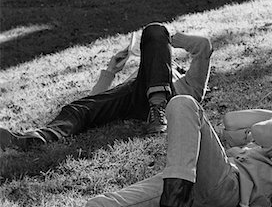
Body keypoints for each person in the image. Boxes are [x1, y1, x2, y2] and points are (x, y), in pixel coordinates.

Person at [0, 26, 272, 207]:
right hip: (184, 175)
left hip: (224, 183)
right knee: (107, 203)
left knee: (180, 100)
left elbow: (205, 51)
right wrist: (110, 71)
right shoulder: (145, 82)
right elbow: (233, 122)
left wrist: (170, 38)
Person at [0, 22, 213, 151]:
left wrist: (166, 39)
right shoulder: (141, 78)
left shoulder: (190, 86)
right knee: (77, 108)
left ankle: (158, 111)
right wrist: (111, 71)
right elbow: (93, 102)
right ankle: (38, 138)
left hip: (169, 102)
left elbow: (203, 46)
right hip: (133, 97)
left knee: (155, 29)